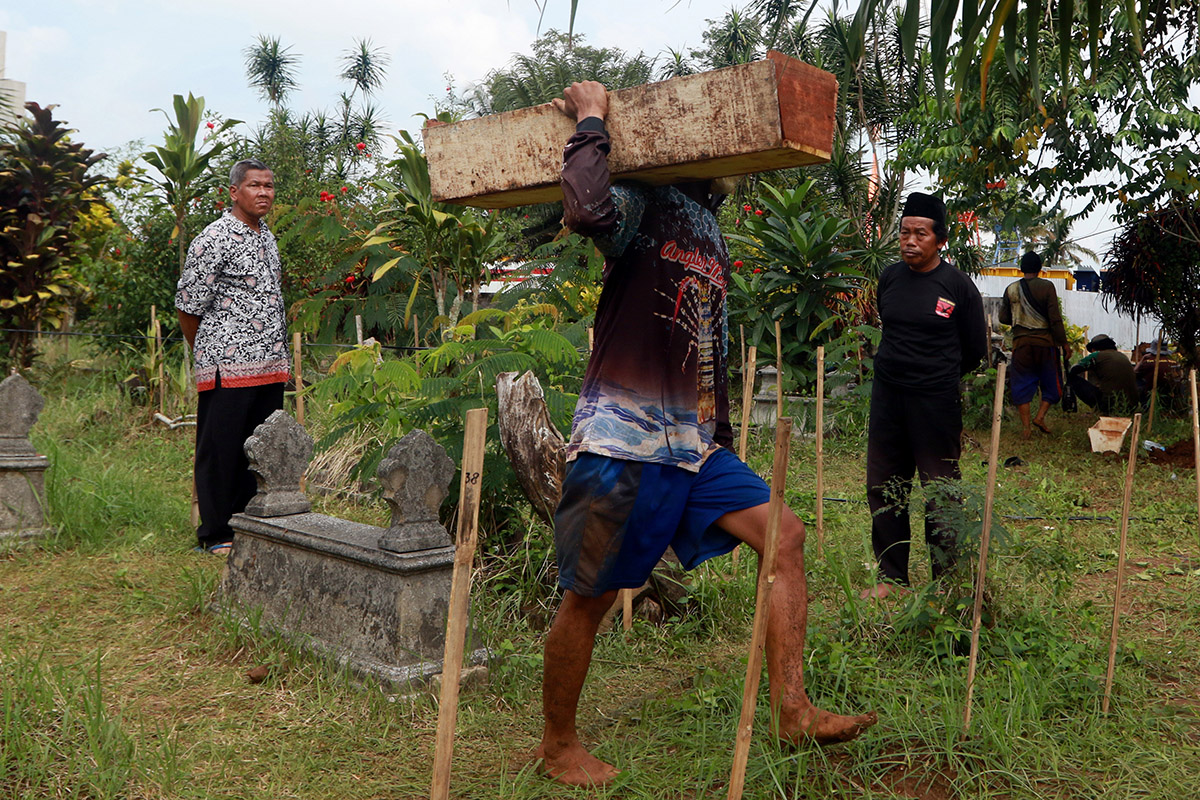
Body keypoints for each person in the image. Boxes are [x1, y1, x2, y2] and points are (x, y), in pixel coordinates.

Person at [538, 80, 876, 788]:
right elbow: (586, 205)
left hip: (693, 448)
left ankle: (792, 709)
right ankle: (558, 744)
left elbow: (707, 338)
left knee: (783, 533)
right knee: (588, 598)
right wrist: (593, 117)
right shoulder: (645, 206)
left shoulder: (712, 230)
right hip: (621, 442)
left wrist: (717, 430)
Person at [862, 192, 987, 601]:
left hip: (935, 404)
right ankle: (892, 579)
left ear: (940, 240)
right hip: (888, 399)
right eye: (904, 232)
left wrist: (937, 378)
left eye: (920, 233)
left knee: (940, 491)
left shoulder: (957, 286)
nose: (909, 241)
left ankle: (946, 583)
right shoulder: (891, 277)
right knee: (885, 487)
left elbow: (974, 350)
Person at [175, 159, 289, 555]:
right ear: (234, 192)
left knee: (258, 447)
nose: (264, 193)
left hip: (270, 364)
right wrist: (209, 352)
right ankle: (216, 533)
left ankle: (249, 523)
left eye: (269, 186)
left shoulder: (267, 237)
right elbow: (188, 306)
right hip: (227, 364)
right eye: (255, 185)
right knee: (221, 448)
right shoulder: (214, 238)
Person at [998, 251, 1071, 438]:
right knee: (1051, 381)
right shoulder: (1047, 287)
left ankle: (1026, 428)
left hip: (1021, 344)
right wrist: (1064, 343)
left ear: (1021, 269)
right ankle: (1039, 416)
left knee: (1021, 383)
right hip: (1045, 344)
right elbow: (1055, 319)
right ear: (1039, 269)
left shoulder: (1011, 288)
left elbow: (1003, 318)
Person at [1068, 334, 1138, 413]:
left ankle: (1098, 409)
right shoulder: (1122, 356)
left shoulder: (1097, 355)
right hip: (1130, 405)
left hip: (1109, 404)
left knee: (1072, 378)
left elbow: (1074, 369)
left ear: (1094, 348)